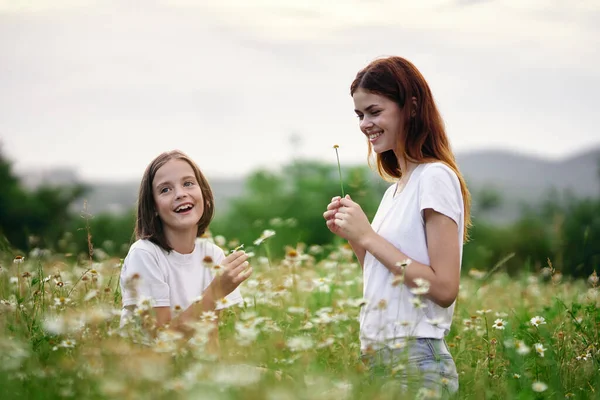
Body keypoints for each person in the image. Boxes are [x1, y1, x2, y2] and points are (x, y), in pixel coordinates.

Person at [323, 56, 471, 395]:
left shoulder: (435, 177)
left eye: (374, 112)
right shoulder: (395, 191)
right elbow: (385, 276)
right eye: (360, 115)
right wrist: (356, 240)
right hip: (378, 358)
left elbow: (444, 289)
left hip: (416, 361)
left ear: (412, 107)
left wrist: (369, 237)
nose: (364, 124)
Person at [119, 150, 252, 354]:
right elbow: (161, 342)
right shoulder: (145, 254)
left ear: (205, 196)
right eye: (165, 190)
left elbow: (210, 338)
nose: (180, 193)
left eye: (188, 183)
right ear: (153, 207)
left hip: (195, 372)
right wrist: (215, 291)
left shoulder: (212, 254)